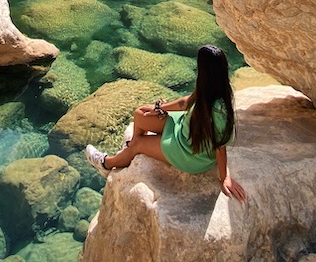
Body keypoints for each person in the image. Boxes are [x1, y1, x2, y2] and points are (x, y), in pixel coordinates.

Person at [85, 44, 247, 202]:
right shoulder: (211, 86)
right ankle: (132, 147)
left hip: (190, 152)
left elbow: (220, 147)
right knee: (141, 114)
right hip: (184, 129)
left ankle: (106, 164)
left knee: (139, 144)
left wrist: (224, 177)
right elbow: (186, 103)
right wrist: (160, 108)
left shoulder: (219, 111)